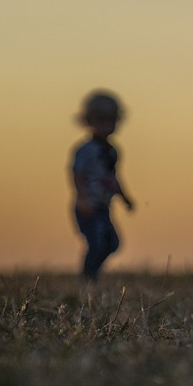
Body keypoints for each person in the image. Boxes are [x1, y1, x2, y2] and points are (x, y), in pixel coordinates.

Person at [70, 90, 134, 282]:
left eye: (110, 120)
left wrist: (125, 198)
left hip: (103, 207)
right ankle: (87, 277)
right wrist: (82, 197)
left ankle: (92, 273)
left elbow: (114, 178)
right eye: (100, 120)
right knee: (96, 242)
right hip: (88, 207)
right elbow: (77, 174)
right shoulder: (84, 150)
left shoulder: (112, 151)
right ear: (89, 121)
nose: (106, 125)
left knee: (112, 243)